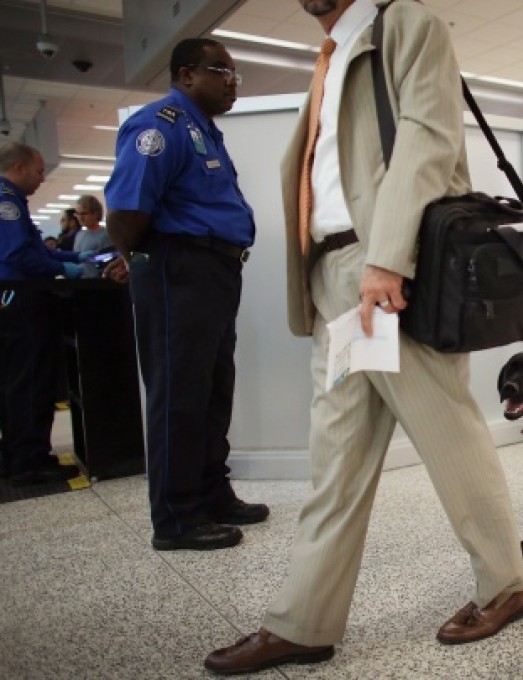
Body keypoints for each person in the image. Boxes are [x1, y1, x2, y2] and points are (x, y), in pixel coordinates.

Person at [205, 0, 523, 674]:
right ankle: (304, 622)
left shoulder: (404, 25)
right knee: (337, 458)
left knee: (447, 434)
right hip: (335, 275)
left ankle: (506, 585)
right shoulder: (332, 57)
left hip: (384, 269)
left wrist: (386, 258)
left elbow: (426, 140)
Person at [104, 38, 267, 551]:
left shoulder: (203, 129)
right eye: (222, 71)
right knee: (179, 394)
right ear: (186, 74)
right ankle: (176, 518)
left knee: (212, 390)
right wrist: (145, 258)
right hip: (179, 269)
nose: (232, 82)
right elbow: (126, 212)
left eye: (235, 73)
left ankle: (211, 494)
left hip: (213, 272)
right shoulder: (160, 126)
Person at [0, 141, 85, 485]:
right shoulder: (7, 203)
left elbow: (34, 249)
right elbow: (18, 255)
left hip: (13, 301)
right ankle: (29, 461)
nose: (41, 178)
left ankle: (17, 455)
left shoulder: (13, 201)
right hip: (22, 301)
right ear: (18, 167)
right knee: (31, 379)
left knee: (15, 380)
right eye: (38, 171)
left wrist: (73, 258)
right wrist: (62, 269)